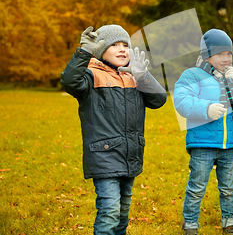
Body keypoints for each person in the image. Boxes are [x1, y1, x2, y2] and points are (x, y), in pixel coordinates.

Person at [60, 25, 167, 235]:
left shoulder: (134, 77)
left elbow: (159, 100)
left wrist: (143, 75)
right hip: (104, 156)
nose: (122, 49)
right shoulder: (91, 76)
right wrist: (84, 53)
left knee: (123, 212)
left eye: (125, 45)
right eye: (114, 45)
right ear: (100, 51)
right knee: (109, 211)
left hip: (130, 156)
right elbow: (69, 82)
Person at [174, 29, 233, 235]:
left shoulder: (232, 75)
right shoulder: (191, 75)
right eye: (220, 54)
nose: (226, 58)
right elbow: (182, 101)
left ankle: (230, 224)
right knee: (197, 187)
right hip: (202, 142)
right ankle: (190, 224)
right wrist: (206, 108)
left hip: (229, 144)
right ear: (206, 55)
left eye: (229, 54)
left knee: (229, 188)